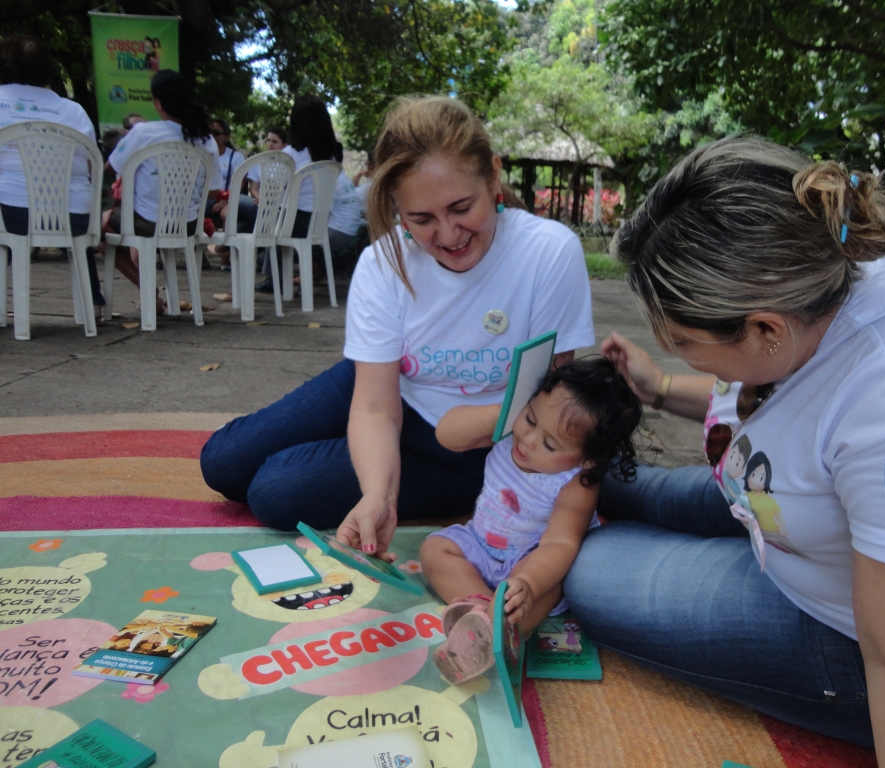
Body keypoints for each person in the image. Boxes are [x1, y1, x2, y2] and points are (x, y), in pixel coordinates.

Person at [563, 136, 885, 764]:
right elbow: (779, 402)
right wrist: (662, 389)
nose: (679, 354)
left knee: (592, 568)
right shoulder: (820, 278)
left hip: (876, 637)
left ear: (765, 328)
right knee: (612, 485)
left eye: (685, 344)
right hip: (803, 522)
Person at [200, 95, 595, 547]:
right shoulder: (382, 262)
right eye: (421, 219)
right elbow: (375, 405)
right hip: (386, 385)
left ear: (493, 176)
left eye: (462, 208)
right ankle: (371, 453)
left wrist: (384, 494)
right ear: (396, 208)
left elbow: (545, 404)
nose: (448, 234)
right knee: (222, 462)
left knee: (274, 492)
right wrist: (377, 492)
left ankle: (383, 458)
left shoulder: (548, 252)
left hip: (477, 446)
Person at [422, 357, 641, 684]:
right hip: (479, 544)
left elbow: (560, 544)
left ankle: (500, 627)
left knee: (547, 591)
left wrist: (528, 583)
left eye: (550, 444)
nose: (528, 440)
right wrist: (505, 413)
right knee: (434, 550)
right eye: (530, 418)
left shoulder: (576, 482)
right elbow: (447, 435)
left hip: (529, 562)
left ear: (588, 459)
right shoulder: (510, 434)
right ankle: (481, 612)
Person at [0, 34, 107, 319]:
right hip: (74, 216)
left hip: (12, 214)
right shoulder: (74, 111)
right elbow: (90, 167)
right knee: (76, 217)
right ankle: (93, 304)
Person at [103, 69, 221, 309]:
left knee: (98, 228)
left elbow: (110, 168)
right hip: (188, 225)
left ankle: (147, 290)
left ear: (157, 103)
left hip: (146, 222)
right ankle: (150, 294)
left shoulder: (143, 133)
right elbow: (212, 192)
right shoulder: (206, 139)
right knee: (131, 224)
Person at [247, 96, 339, 293]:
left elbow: (271, 191)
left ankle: (272, 278)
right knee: (276, 215)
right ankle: (276, 278)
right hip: (318, 223)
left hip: (292, 223)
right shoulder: (330, 156)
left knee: (256, 211)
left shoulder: (291, 153)